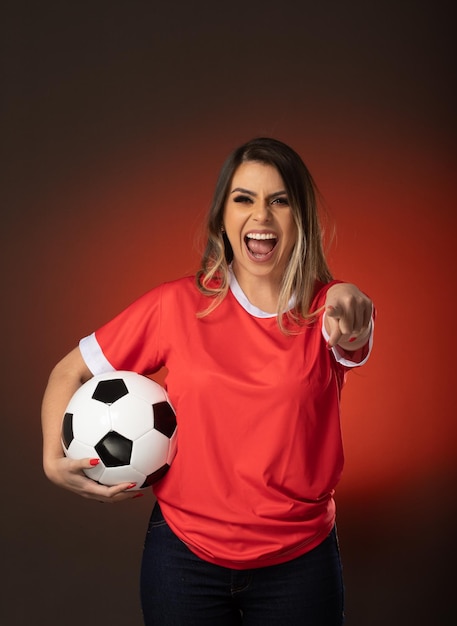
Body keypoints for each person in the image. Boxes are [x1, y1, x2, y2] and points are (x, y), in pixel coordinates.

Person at [41, 137, 374, 626]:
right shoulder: (175, 305)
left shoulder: (329, 311)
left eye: (279, 200)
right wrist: (53, 460)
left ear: (300, 218)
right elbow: (69, 370)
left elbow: (355, 325)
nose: (261, 215)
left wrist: (351, 300)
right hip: (183, 559)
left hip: (299, 562)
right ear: (222, 217)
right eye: (244, 198)